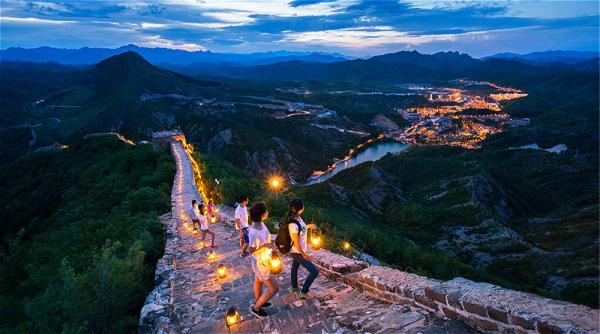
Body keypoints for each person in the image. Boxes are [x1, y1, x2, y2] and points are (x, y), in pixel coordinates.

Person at [247, 202, 279, 317]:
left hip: (264, 258)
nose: (267, 212)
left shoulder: (260, 223)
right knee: (274, 288)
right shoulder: (253, 231)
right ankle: (256, 308)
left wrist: (269, 247)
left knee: (258, 280)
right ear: (262, 214)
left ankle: (259, 300)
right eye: (266, 210)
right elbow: (251, 251)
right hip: (261, 262)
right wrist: (265, 246)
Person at [287, 199, 319, 299]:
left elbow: (302, 228)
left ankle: (294, 286)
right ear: (300, 209)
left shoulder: (298, 218)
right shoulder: (292, 223)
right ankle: (303, 291)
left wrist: (309, 226)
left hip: (298, 251)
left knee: (294, 267)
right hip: (297, 251)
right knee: (314, 271)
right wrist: (303, 254)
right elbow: (295, 240)